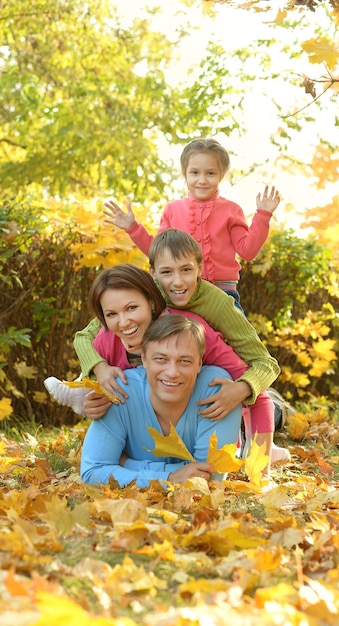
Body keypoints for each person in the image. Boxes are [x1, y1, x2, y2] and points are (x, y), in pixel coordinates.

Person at [45, 264, 290, 471]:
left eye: (132, 308)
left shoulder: (190, 332)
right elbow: (115, 411)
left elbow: (256, 377)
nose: (124, 322)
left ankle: (274, 422)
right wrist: (95, 388)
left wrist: (242, 390)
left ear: (152, 304)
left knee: (256, 403)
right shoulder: (107, 340)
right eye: (112, 314)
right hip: (163, 417)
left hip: (214, 408)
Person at [103, 137, 280, 310]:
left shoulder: (231, 210)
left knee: (238, 335)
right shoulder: (173, 210)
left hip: (222, 291)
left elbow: (247, 252)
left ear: (221, 175)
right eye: (195, 173)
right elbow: (157, 252)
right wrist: (133, 228)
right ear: (184, 173)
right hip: (179, 291)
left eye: (210, 173)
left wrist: (263, 216)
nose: (202, 180)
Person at [80, 315, 243, 488]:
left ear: (199, 364)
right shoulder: (120, 391)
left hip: (240, 429)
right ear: (144, 360)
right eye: (161, 359)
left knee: (271, 407)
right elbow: (93, 472)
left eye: (184, 361)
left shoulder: (217, 389)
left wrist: (128, 464)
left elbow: (209, 478)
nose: (172, 372)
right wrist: (169, 478)